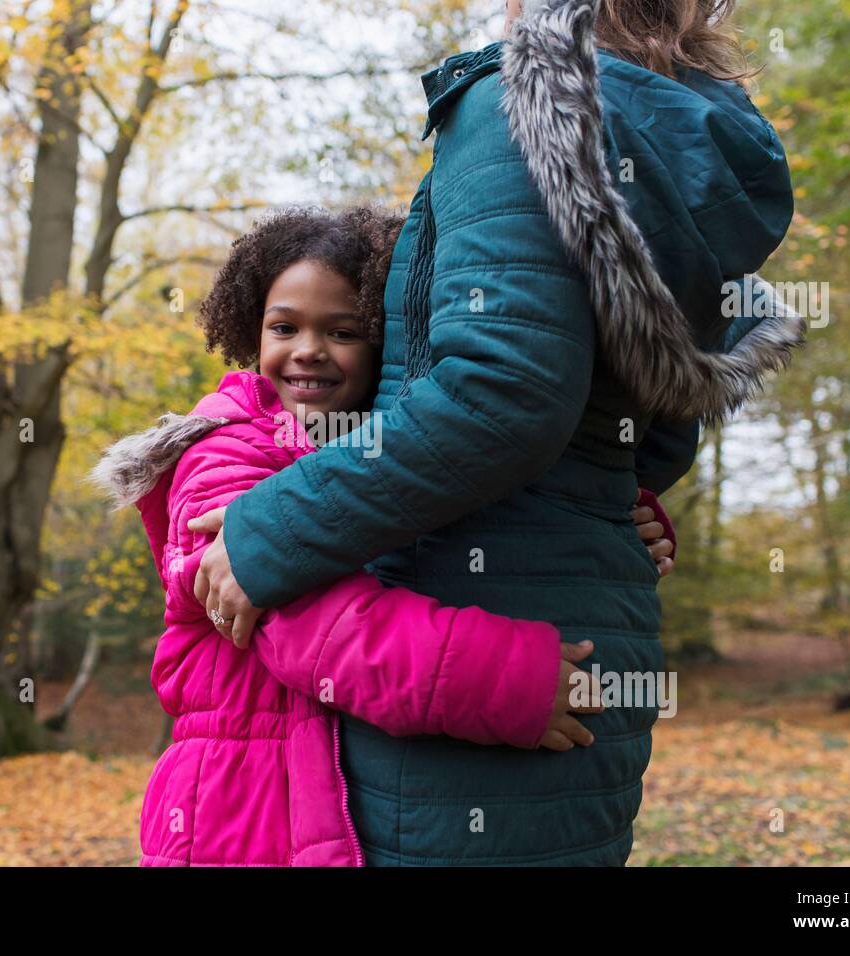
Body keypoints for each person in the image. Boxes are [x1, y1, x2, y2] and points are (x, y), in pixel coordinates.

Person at [188, 0, 804, 865]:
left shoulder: (520, 99)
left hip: (479, 658)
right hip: (591, 638)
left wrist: (272, 529)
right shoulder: (683, 135)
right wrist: (600, 500)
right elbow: (653, 427)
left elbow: (502, 391)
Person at [91, 206, 678, 865]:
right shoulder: (223, 458)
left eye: (342, 331)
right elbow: (309, 625)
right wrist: (503, 678)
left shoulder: (372, 448)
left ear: (384, 345)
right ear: (249, 328)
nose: (307, 348)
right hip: (238, 811)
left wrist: (615, 515)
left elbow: (471, 494)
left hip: (324, 800)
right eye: (284, 326)